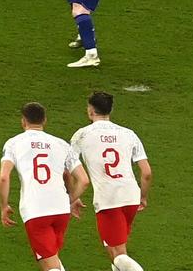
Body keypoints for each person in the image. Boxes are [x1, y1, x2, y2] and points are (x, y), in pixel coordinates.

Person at [0, 102, 89, 271]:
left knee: (50, 266)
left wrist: (4, 206)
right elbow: (83, 180)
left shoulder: (14, 143)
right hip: (61, 211)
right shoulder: (61, 144)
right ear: (44, 120)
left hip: (36, 211)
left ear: (23, 121)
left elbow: (4, 177)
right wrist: (71, 198)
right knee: (51, 261)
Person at [69, 92, 152, 271]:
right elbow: (146, 172)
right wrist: (143, 197)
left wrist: (73, 196)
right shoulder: (129, 134)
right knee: (119, 249)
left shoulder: (81, 135)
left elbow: (69, 168)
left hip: (108, 200)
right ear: (110, 110)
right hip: (131, 197)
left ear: (91, 111)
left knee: (117, 254)